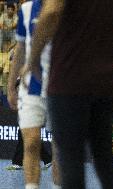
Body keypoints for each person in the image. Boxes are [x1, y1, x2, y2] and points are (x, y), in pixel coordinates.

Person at [27, 0, 113, 188]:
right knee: (104, 156)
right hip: (104, 82)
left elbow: (51, 12)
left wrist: (33, 58)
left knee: (71, 158)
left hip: (69, 80)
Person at [7, 1, 60, 189]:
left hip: (60, 87)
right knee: (31, 142)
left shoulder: (70, 7)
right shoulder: (26, 9)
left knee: (58, 149)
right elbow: (20, 49)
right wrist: (11, 85)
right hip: (31, 87)